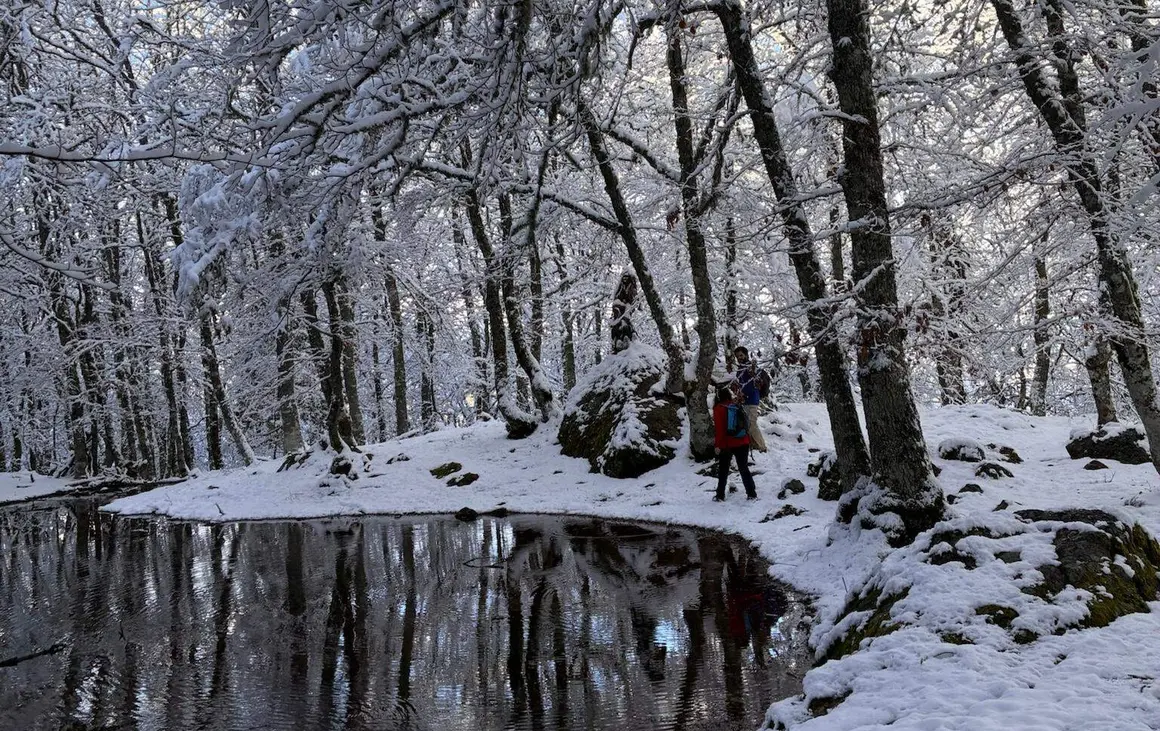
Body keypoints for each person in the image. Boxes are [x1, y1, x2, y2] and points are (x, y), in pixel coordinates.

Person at [712, 386, 758, 501]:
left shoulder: (718, 408)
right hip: (743, 440)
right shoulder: (736, 406)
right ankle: (751, 493)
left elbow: (719, 430)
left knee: (723, 470)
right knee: (743, 468)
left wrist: (718, 445)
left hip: (727, 444)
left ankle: (720, 495)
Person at [732, 346, 768, 453]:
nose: (739, 358)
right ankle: (753, 444)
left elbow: (756, 382)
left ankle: (762, 446)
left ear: (746, 355)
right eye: (737, 356)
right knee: (747, 424)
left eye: (741, 355)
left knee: (752, 424)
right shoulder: (740, 369)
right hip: (744, 401)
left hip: (752, 400)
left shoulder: (751, 368)